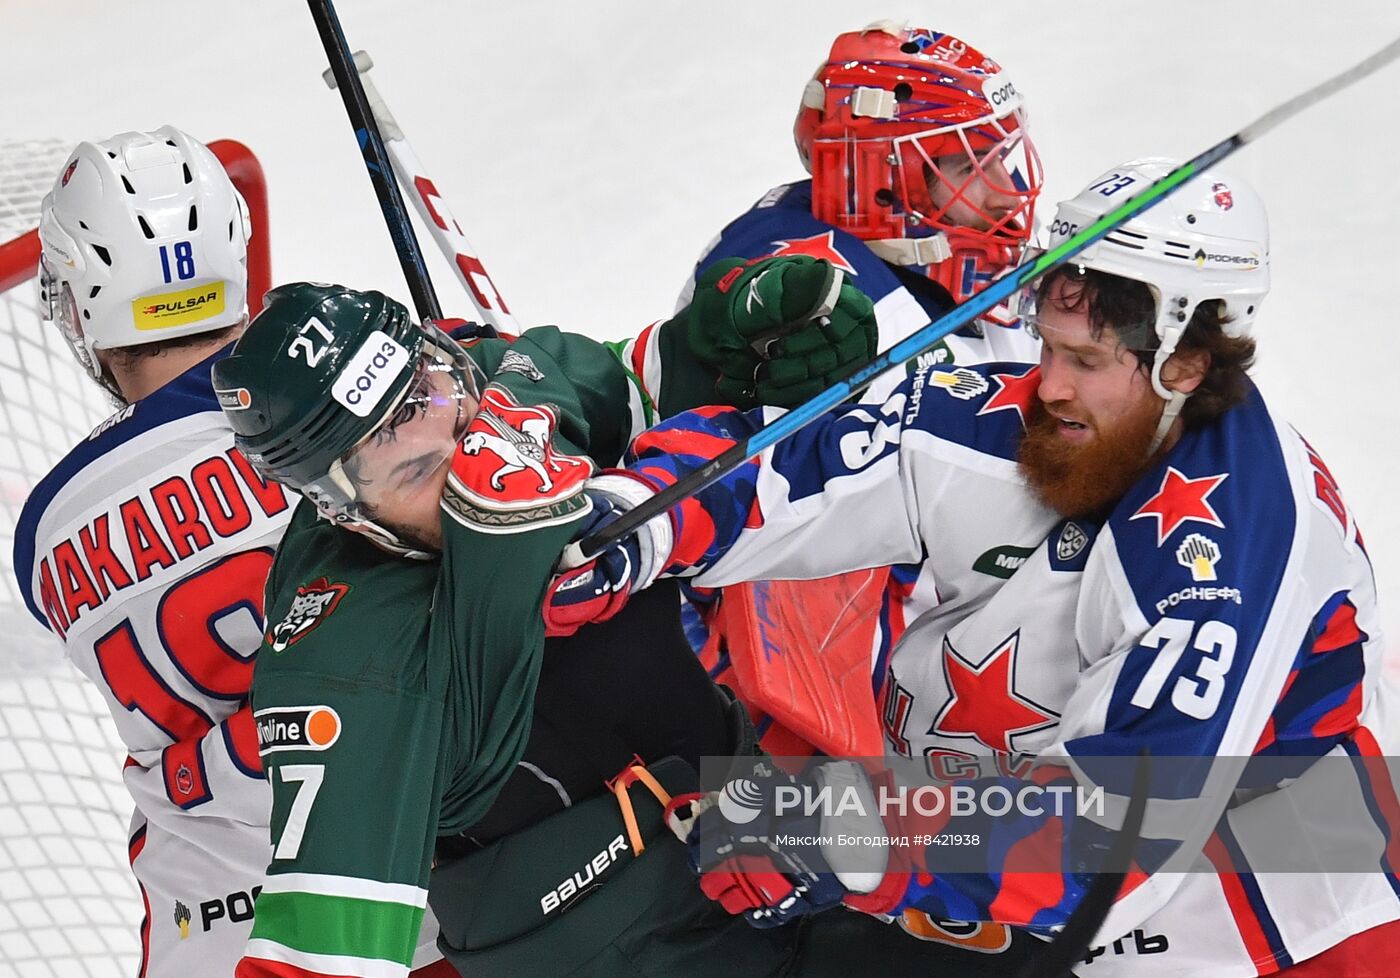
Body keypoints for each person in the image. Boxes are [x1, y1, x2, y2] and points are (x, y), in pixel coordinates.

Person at [544, 160, 1399, 976]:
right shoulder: (1041, 421)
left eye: (1088, 362)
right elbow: (797, 461)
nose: (1049, 385)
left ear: (1186, 364)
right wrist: (632, 519)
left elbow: (1109, 843)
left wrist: (838, 829)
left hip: (1285, 941)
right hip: (1019, 917)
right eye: (1049, 345)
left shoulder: (1228, 557)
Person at [216, 279, 1055, 978]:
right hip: (600, 942)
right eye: (419, 467)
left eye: (437, 396)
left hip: (758, 820)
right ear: (344, 511)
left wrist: (735, 333)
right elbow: (308, 955)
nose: (466, 450)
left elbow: (631, 376)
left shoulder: (503, 387)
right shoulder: (345, 658)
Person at [10, 127, 455, 976]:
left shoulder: (47, 528)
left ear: (77, 302)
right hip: (409, 906)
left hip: (207, 933)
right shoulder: (364, 409)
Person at [623, 20, 1045, 767]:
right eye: (967, 164)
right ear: (883, 178)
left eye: (999, 156)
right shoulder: (811, 295)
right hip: (801, 692)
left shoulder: (930, 263)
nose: (1004, 189)